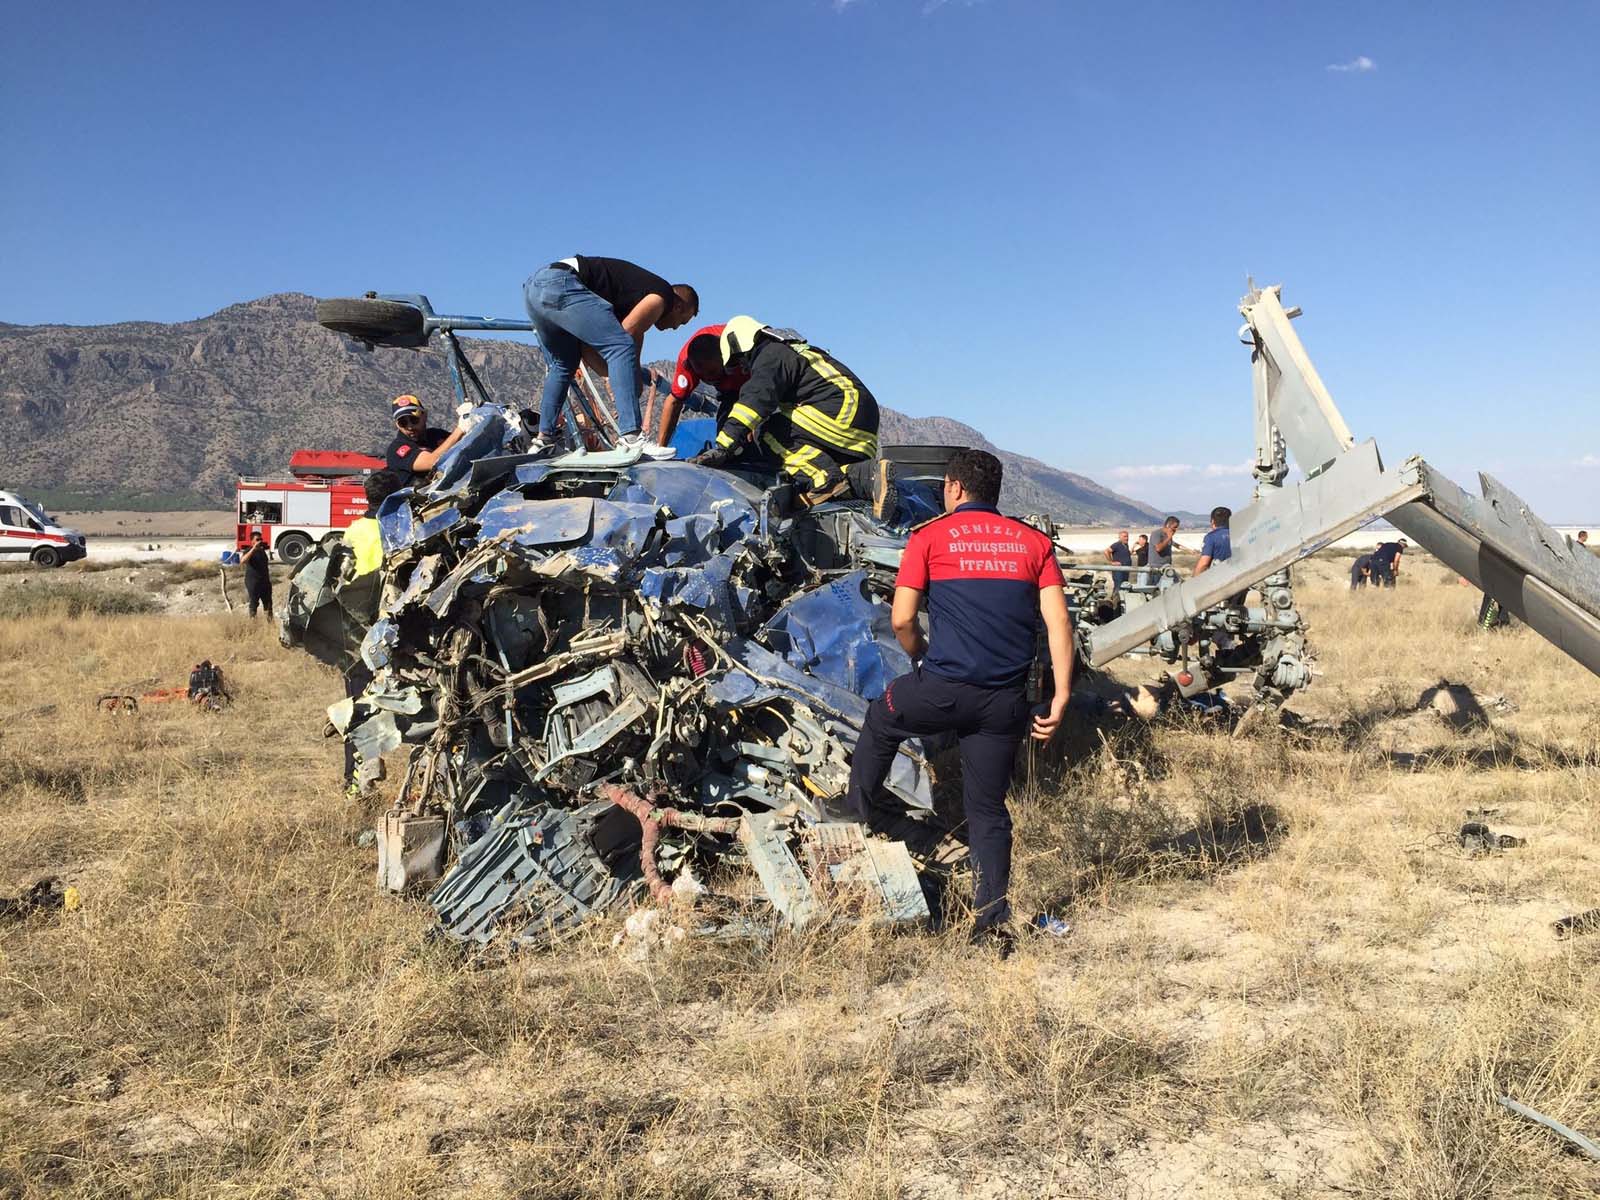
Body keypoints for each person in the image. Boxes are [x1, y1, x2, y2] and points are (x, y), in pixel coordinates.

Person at [844, 449, 1073, 953]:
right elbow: (1059, 622)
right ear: (994, 492)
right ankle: (990, 919)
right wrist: (1059, 696)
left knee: (883, 716)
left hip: (942, 690)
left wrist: (921, 656)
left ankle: (858, 810)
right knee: (988, 809)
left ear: (953, 489)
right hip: (1004, 704)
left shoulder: (927, 537)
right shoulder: (1034, 543)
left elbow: (902, 619)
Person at [687, 316, 881, 502]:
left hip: (841, 415)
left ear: (743, 348)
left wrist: (723, 448)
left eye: (740, 361)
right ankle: (866, 475)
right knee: (798, 442)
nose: (743, 369)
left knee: (768, 432)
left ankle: (825, 480)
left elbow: (753, 402)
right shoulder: (789, 350)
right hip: (860, 428)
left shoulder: (770, 355)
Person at [522, 256, 698, 459]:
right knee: (620, 345)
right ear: (678, 306)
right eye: (681, 321)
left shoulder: (628, 301)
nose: (676, 328)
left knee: (564, 364)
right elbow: (625, 338)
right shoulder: (662, 296)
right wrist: (619, 376)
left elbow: (591, 347)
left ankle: (545, 439)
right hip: (561, 282)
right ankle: (631, 437)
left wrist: (619, 373)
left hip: (535, 289)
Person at [337, 469, 406, 794]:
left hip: (359, 632)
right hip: (401, 633)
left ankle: (358, 785)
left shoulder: (353, 531)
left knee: (360, 706)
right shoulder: (403, 528)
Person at [657, 324, 751, 446]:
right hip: (730, 392)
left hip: (758, 383)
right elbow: (674, 402)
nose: (709, 378)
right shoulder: (686, 362)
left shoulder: (741, 345)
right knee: (726, 438)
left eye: (713, 372)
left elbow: (765, 386)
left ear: (723, 357)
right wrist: (661, 448)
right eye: (703, 375)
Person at [386, 394, 466, 476]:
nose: (409, 427)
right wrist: (460, 429)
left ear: (424, 416)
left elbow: (465, 443)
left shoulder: (435, 434)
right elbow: (431, 462)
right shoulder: (397, 449)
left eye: (414, 420)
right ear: (397, 425)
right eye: (403, 423)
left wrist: (470, 420)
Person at [239, 532, 273, 618]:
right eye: (257, 539)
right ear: (252, 541)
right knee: (254, 603)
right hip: (253, 582)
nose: (260, 541)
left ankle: (270, 624)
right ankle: (253, 623)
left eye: (261, 539)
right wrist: (253, 549)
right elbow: (243, 561)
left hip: (265, 582)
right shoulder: (248, 551)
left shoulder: (262, 551)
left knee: (268, 604)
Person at [1193, 507, 1231, 575]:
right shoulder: (1238, 534)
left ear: (1212, 521)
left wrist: (1193, 582)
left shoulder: (1211, 537)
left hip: (1218, 578)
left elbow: (1203, 564)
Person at [1143, 516, 1179, 586]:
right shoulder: (1156, 534)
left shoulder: (1168, 536)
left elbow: (1175, 544)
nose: (1175, 530)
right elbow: (1158, 548)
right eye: (1174, 527)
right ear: (1168, 525)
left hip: (1166, 568)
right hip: (1156, 569)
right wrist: (1169, 538)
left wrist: (1189, 550)